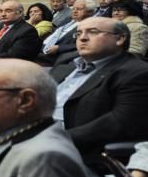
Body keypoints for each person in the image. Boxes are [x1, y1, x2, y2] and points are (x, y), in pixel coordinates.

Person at [51, 16, 148, 156]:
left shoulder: (137, 73)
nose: (82, 38)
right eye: (78, 34)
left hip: (79, 152)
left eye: (93, 32)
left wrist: (53, 139)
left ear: (120, 38)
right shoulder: (66, 65)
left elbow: (119, 123)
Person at [39, 0, 94, 67]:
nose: (74, 11)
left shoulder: (89, 25)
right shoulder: (68, 20)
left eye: (79, 9)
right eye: (73, 8)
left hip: (55, 56)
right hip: (42, 49)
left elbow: (85, 44)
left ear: (90, 12)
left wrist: (59, 48)